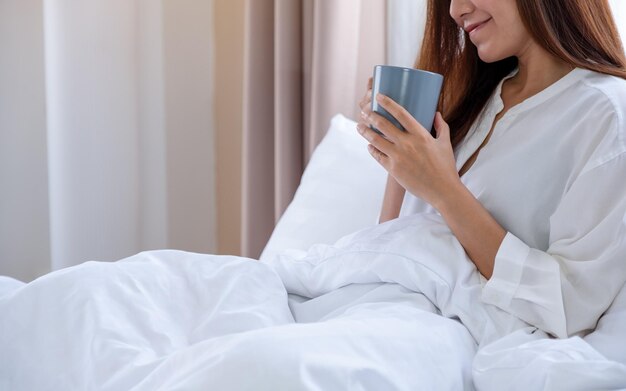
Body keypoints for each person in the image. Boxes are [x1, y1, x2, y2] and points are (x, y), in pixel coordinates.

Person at [357, 0, 626, 339]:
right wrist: (397, 150)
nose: (455, 10)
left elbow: (569, 305)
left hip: (447, 335)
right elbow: (389, 247)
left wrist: (444, 190)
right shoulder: (469, 96)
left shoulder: (606, 114)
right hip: (378, 308)